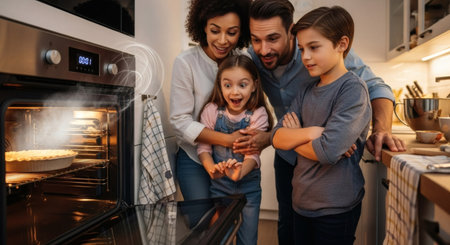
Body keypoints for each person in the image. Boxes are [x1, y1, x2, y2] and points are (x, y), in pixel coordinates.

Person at [232, 0, 407, 244]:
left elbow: (375, 87)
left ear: (290, 31)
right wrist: (289, 136)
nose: (263, 50)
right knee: (289, 227)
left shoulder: (332, 56)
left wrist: (381, 129)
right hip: (292, 162)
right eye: (256, 40)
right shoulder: (254, 58)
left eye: (272, 38)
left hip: (332, 177)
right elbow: (276, 131)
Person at [271, 6, 371, 244]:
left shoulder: (352, 89)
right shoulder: (306, 91)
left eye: (314, 47)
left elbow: (326, 152)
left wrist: (294, 136)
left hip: (336, 208)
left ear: (342, 44)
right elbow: (276, 137)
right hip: (301, 203)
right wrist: (311, 133)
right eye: (302, 49)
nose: (305, 56)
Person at [169, 0, 252, 202]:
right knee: (201, 221)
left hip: (233, 158)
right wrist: (228, 139)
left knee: (228, 218)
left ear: (241, 32)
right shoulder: (186, 62)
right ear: (203, 26)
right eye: (215, 30)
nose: (223, 40)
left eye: (231, 33)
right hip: (194, 158)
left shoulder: (243, 60)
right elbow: (180, 120)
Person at [197, 55, 273, 245]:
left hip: (249, 189)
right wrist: (211, 169)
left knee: (247, 239)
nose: (234, 92)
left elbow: (252, 153)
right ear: (219, 85)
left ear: (254, 85)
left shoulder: (258, 114)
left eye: (242, 85)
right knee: (220, 237)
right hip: (219, 188)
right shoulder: (211, 111)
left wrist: (239, 173)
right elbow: (204, 146)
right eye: (228, 85)